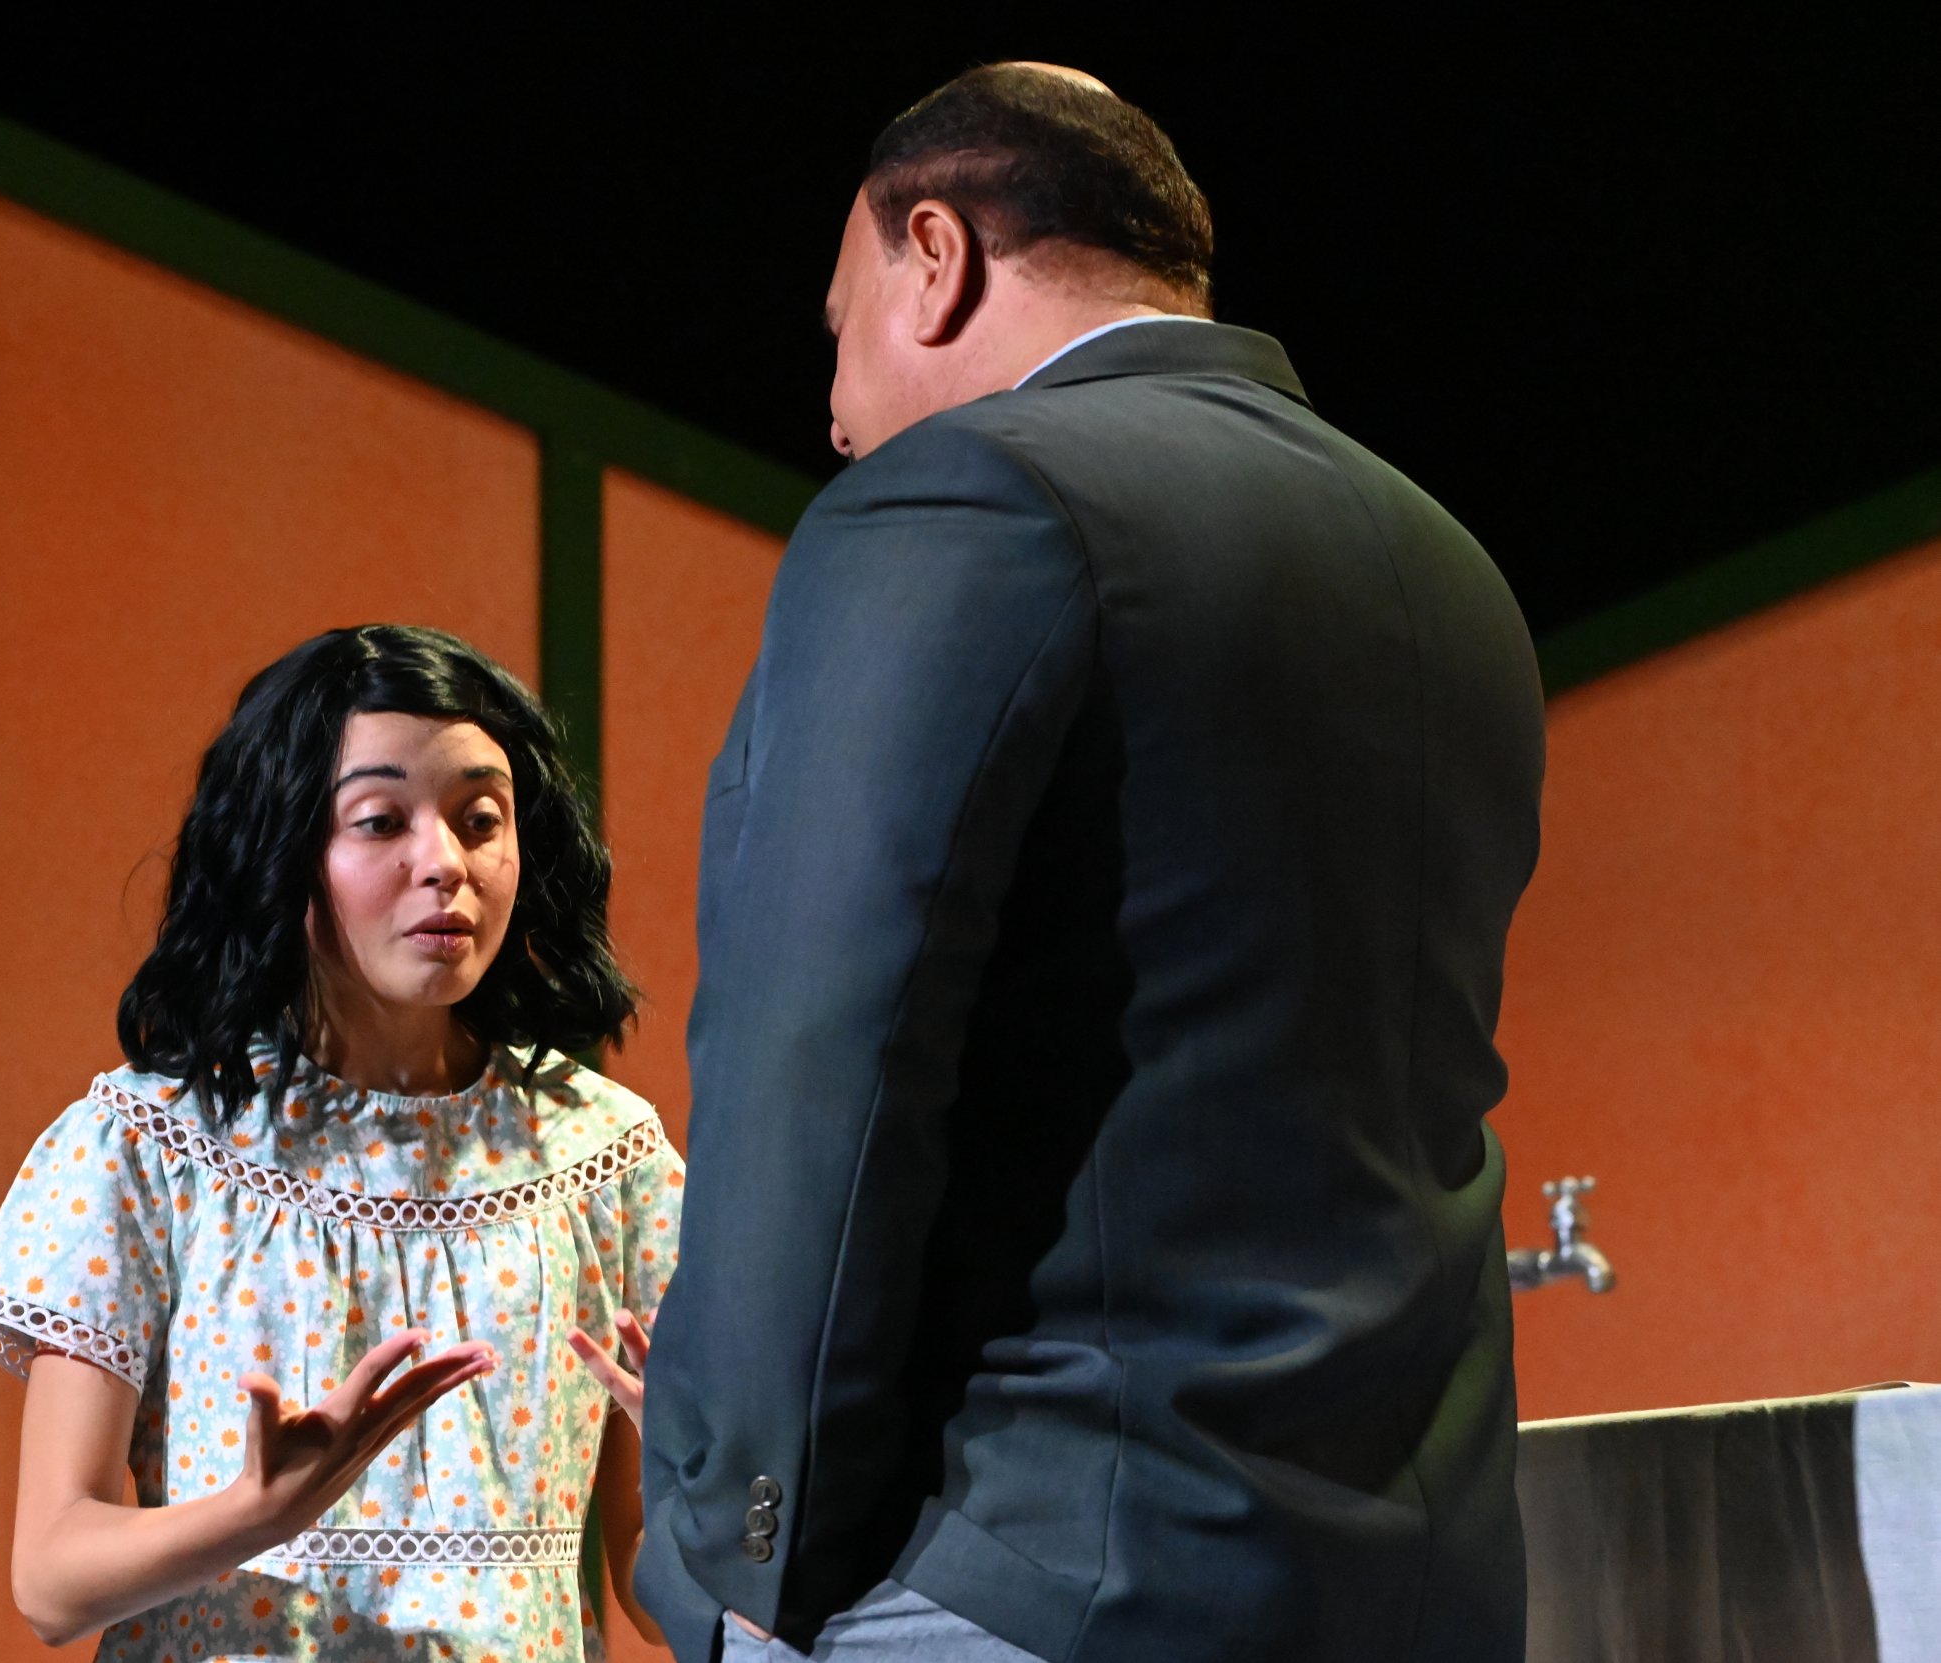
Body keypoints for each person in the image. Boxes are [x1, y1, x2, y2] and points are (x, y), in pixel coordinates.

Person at [627, 63, 1546, 1663]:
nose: (835, 412)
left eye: (839, 328)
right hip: (1415, 1592)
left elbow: (822, 1056)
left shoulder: (964, 490)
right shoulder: (1452, 569)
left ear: (936, 256)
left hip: (1038, 1571)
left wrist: (733, 1553)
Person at [0, 624, 682, 1659]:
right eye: (380, 821)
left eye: (481, 818)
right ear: (282, 848)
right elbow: (50, 1580)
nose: (445, 863)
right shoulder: (146, 1145)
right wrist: (256, 1513)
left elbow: (649, 1574)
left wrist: (727, 1519)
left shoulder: (606, 1155)